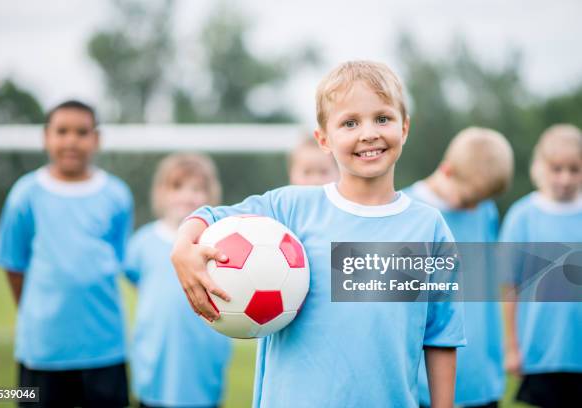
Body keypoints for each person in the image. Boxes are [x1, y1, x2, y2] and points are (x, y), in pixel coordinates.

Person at [171, 61, 465, 407]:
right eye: (350, 123)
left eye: (382, 118)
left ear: (405, 128)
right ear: (323, 139)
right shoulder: (290, 207)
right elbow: (208, 216)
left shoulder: (428, 227)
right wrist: (182, 247)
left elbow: (441, 335)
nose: (368, 133)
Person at [0, 100, 133, 407]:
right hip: (42, 348)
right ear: (46, 137)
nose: (71, 140)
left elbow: (117, 259)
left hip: (105, 348)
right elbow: (14, 266)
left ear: (96, 139)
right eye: (62, 131)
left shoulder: (117, 194)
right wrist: (37, 314)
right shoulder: (25, 194)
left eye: (82, 132)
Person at [405, 127, 514, 408]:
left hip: (483, 381)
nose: (473, 208)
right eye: (468, 200)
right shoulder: (406, 214)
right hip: (425, 388)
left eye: (482, 200)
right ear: (447, 170)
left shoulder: (484, 211)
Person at [125, 154, 232, 408]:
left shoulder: (216, 245)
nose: (187, 196)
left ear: (210, 195)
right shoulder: (143, 241)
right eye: (177, 187)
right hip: (156, 352)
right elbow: (135, 279)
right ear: (161, 193)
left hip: (202, 352)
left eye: (196, 189)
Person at [500, 124, 582, 408]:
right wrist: (512, 348)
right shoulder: (523, 216)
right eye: (557, 168)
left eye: (574, 169)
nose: (565, 178)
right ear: (540, 167)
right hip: (540, 351)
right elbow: (508, 286)